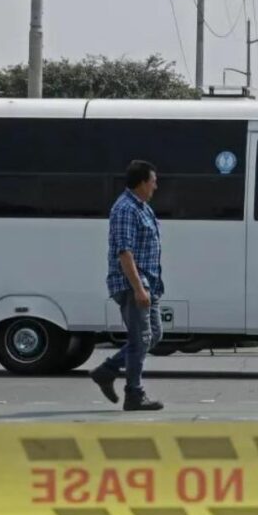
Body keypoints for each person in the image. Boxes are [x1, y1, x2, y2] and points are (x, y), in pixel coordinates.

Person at [90, 161, 166, 411]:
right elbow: (125, 252)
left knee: (153, 335)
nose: (156, 185)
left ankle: (108, 370)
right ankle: (134, 393)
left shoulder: (142, 208)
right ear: (143, 182)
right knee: (141, 338)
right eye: (153, 181)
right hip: (134, 284)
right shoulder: (125, 209)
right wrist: (138, 288)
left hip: (149, 283)